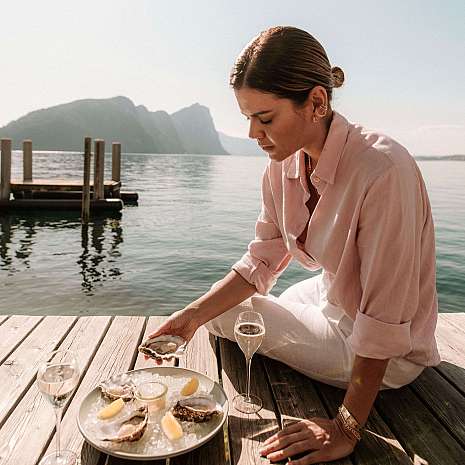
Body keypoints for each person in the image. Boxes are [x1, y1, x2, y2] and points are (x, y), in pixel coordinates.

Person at [146, 26, 441, 464]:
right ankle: (295, 330)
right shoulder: (284, 164)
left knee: (229, 316)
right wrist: (189, 317)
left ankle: (314, 347)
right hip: (335, 295)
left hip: (387, 350)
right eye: (247, 118)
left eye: (265, 119)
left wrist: (345, 427)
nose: (253, 134)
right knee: (219, 310)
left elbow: (383, 319)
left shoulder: (384, 171)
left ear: (317, 103)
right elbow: (260, 261)